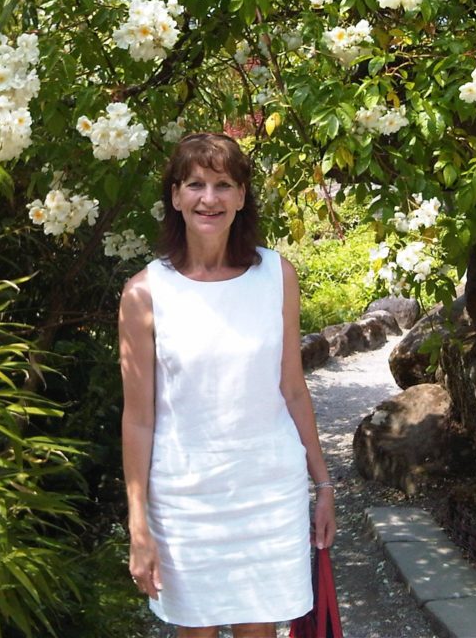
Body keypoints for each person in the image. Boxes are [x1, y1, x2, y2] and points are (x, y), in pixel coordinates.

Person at [119, 132, 337, 638]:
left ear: (242, 196)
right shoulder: (144, 293)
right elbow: (139, 418)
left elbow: (293, 389)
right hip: (185, 499)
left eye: (223, 185)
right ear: (175, 197)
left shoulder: (276, 276)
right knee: (195, 629)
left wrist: (323, 485)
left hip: (267, 490)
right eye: (195, 184)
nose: (209, 198)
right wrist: (139, 524)